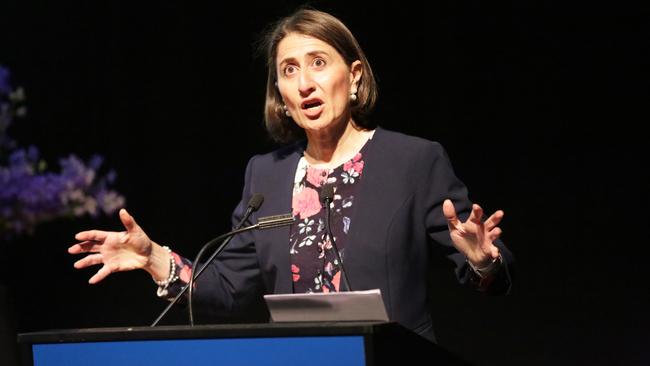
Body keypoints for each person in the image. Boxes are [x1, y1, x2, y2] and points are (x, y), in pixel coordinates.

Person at [68, 8, 513, 342]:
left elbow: (490, 276)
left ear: (354, 76)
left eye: (319, 62)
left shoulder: (414, 161)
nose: (304, 83)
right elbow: (226, 287)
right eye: (289, 70)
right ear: (280, 95)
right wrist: (152, 258)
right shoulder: (266, 175)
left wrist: (482, 259)